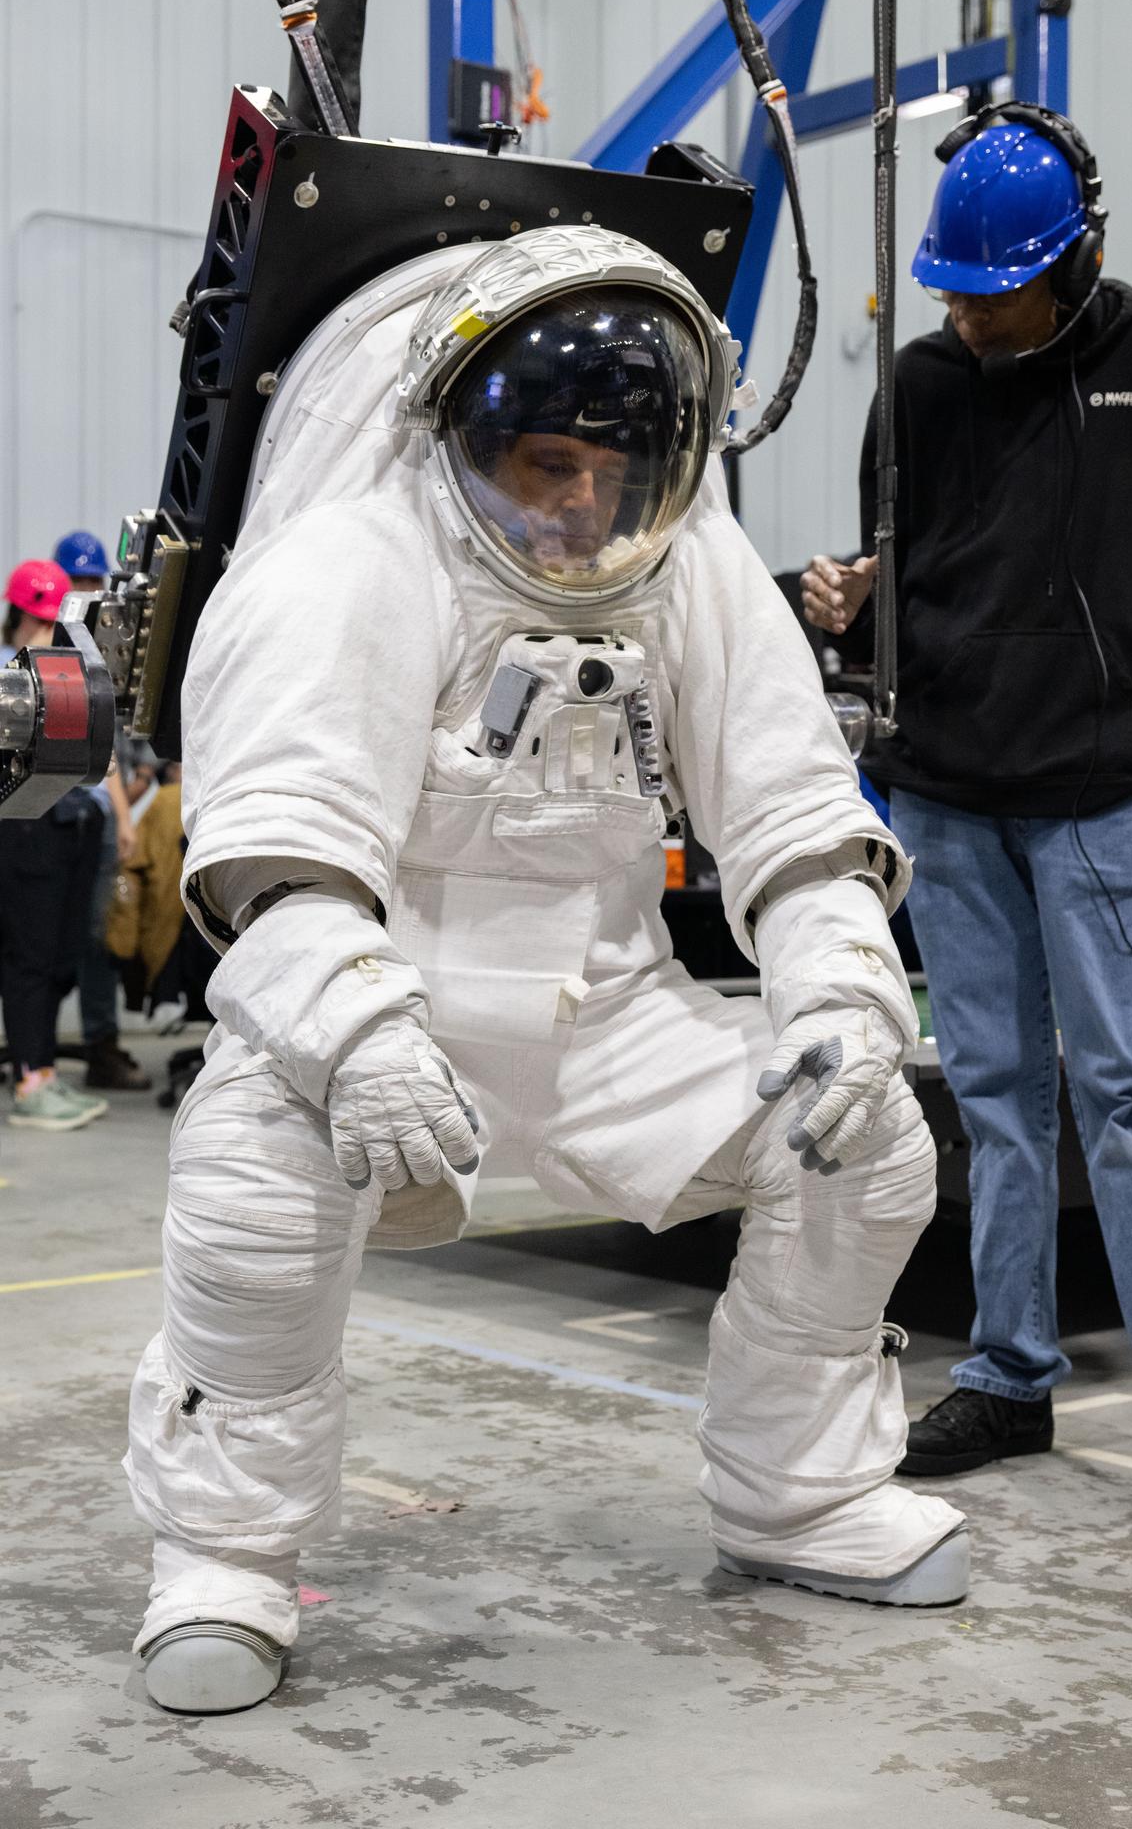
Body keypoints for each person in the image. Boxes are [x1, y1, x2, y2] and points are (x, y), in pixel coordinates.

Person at [124, 226, 968, 1716]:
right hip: (382, 1009)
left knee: (861, 1138)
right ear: (464, 438)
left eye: (609, 471)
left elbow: (787, 810)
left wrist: (838, 990)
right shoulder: (349, 555)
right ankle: (223, 1555)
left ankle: (798, 1493)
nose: (579, 506)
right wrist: (356, 1032)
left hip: (610, 1010)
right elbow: (282, 854)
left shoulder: (689, 563)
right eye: (542, 466)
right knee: (252, 1184)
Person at [802, 105, 1132, 1539]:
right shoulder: (917, 384)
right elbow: (910, 564)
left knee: (1130, 1098)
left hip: (1096, 807)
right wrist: (851, 597)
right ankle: (1008, 1370)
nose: (967, 315)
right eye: (949, 290)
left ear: (1066, 269)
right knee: (995, 1102)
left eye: (990, 292)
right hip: (949, 798)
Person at [0, 561, 108, 1130]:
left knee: (64, 953)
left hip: (71, 822)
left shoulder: (73, 671)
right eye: (40, 621)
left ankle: (41, 1068)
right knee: (31, 958)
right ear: (18, 615)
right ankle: (31, 1078)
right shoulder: (7, 679)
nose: (48, 632)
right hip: (24, 825)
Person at [52, 532, 149, 1092]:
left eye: (95, 580)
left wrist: (130, 802)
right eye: (79, 581)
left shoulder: (112, 654)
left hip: (101, 816)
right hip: (56, 815)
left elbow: (128, 749)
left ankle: (100, 1040)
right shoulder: (46, 652)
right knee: (50, 941)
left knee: (99, 938)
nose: (89, 591)